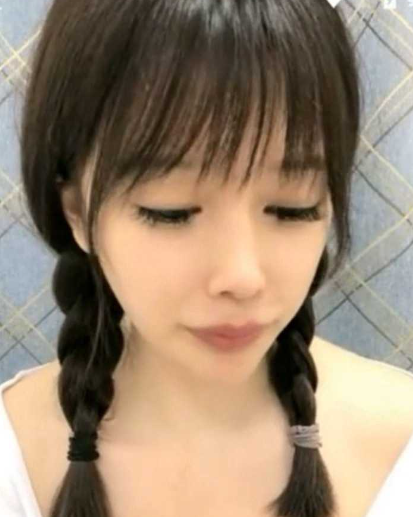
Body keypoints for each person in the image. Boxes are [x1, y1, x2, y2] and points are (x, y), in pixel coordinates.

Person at [1, 0, 412, 516]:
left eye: (292, 208)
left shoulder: (400, 445)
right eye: (171, 212)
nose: (242, 276)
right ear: (78, 214)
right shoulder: (14, 459)